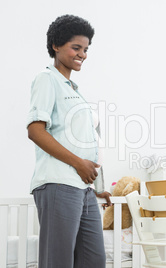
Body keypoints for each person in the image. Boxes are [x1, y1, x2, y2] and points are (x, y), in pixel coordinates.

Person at [27, 15, 111, 268]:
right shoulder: (47, 79)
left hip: (82, 188)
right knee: (58, 261)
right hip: (58, 183)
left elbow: (86, 142)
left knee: (94, 260)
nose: (82, 54)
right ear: (56, 45)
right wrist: (78, 164)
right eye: (76, 48)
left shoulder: (73, 89)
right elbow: (35, 130)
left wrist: (97, 186)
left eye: (85, 49)